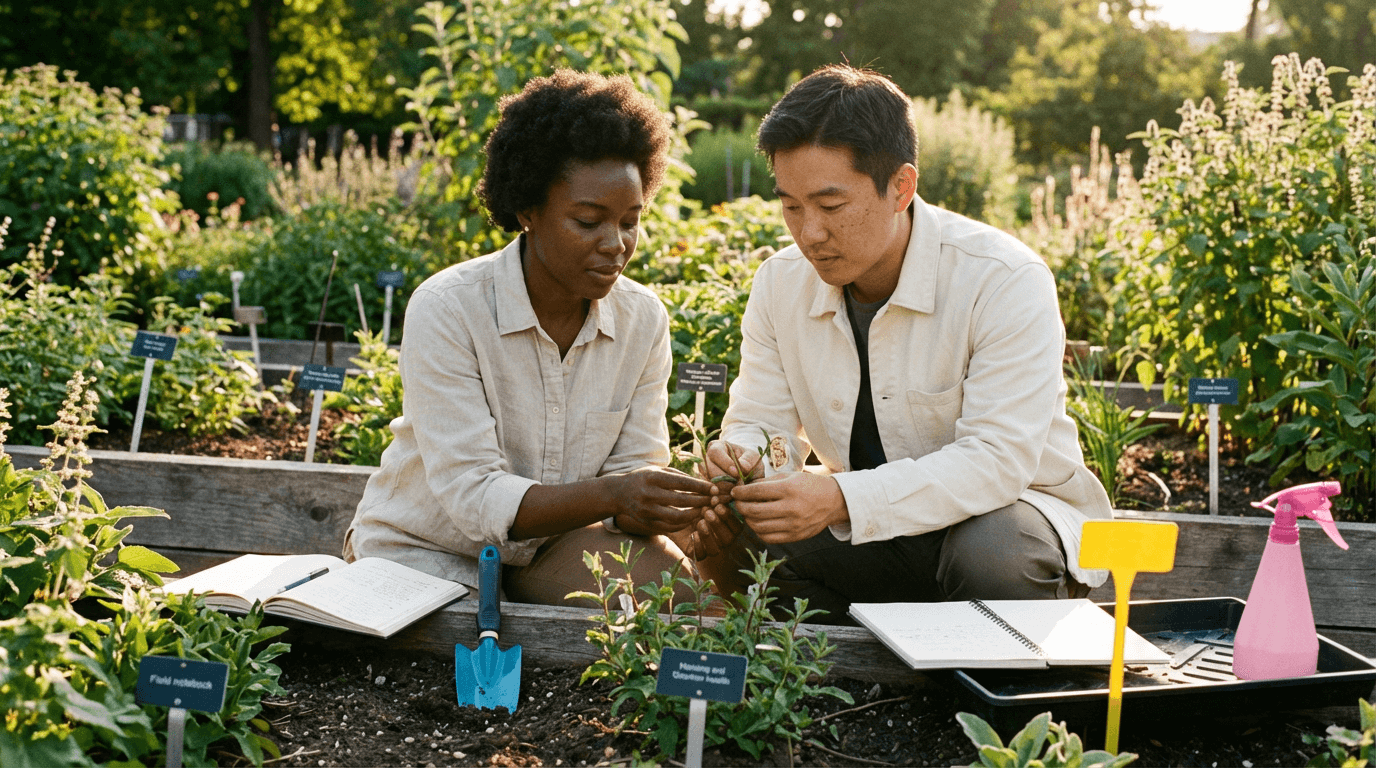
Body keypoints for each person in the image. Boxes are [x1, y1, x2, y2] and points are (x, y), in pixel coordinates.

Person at [687, 64, 1114, 623]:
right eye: (791, 205)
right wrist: (742, 456)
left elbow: (997, 462)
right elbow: (762, 420)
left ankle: (987, 673)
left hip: (1004, 517)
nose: (808, 231)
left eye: (831, 205)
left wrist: (839, 498)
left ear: (901, 187)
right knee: (724, 519)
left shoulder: (1002, 277)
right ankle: (832, 665)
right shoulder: (781, 282)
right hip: (871, 534)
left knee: (994, 555)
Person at [344, 70, 720, 604]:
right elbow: (474, 496)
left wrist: (664, 504)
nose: (616, 244)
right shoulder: (449, 308)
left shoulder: (642, 319)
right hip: (425, 555)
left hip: (552, 550)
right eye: (588, 221)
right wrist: (616, 493)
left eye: (630, 221)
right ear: (527, 211)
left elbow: (631, 474)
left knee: (687, 604)